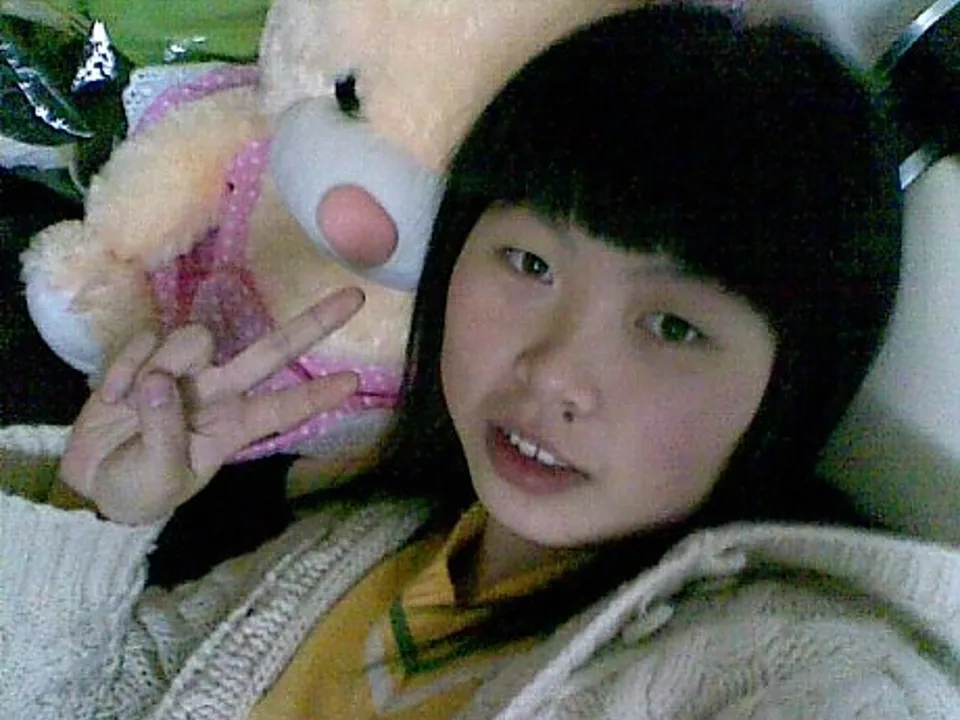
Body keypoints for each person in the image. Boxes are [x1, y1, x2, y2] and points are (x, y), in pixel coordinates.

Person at [2, 5, 958, 718]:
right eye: (530, 263)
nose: (552, 374)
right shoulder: (366, 539)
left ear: (793, 384)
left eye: (672, 326)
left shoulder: (811, 673)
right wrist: (100, 517)